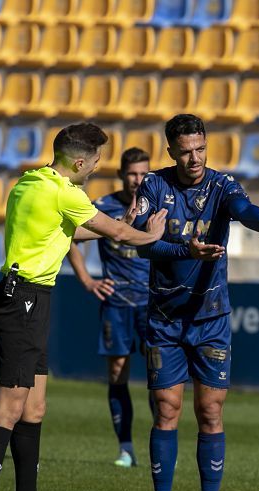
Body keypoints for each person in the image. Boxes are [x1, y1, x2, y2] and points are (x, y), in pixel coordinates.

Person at [0, 123, 168, 491]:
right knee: (9, 405)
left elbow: (69, 231)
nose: (95, 169)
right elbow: (114, 231)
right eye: (94, 162)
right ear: (79, 161)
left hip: (30, 298)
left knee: (35, 407)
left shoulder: (32, 182)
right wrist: (150, 234)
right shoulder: (65, 191)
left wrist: (116, 227)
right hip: (21, 299)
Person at [131, 114, 259, 491]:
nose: (194, 158)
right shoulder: (154, 185)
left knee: (210, 410)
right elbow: (141, 246)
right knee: (166, 408)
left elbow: (244, 209)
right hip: (166, 319)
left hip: (210, 318)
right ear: (171, 150)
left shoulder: (221, 185)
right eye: (185, 151)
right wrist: (185, 250)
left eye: (200, 149)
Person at [67, 147, 155, 468]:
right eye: (132, 173)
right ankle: (126, 448)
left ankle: (160, 443)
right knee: (117, 373)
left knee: (159, 374)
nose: (137, 180)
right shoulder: (103, 207)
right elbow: (70, 240)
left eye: (143, 173)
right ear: (121, 175)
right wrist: (88, 281)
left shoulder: (158, 208)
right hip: (117, 303)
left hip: (152, 303)